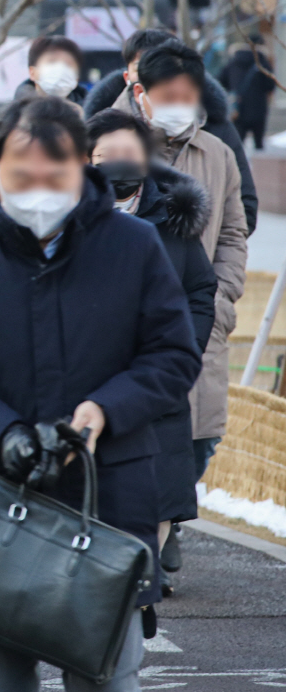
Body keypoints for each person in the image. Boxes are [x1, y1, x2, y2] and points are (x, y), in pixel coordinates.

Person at [0, 95, 201, 692]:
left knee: (106, 674)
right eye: (23, 175)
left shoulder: (133, 246)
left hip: (110, 494)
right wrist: (4, 432)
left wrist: (102, 412)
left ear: (83, 168)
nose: (38, 189)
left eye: (55, 175)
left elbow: (173, 355)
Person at [87, 108, 217, 596]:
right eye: (106, 155)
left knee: (161, 487)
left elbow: (200, 292)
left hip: (157, 378)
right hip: (87, 381)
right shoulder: (63, 220)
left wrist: (182, 351)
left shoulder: (172, 218)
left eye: (128, 153)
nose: (118, 163)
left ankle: (144, 572)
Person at [117, 41, 248, 488]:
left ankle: (168, 518)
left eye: (187, 96)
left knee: (198, 437)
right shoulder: (109, 146)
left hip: (199, 317)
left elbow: (233, 232)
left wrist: (221, 295)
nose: (179, 106)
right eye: (167, 97)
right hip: (122, 318)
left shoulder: (218, 154)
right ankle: (148, 526)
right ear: (141, 94)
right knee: (128, 431)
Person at [83, 28, 258, 234]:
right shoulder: (100, 131)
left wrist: (214, 259)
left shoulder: (217, 132)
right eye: (144, 66)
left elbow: (239, 217)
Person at [0, 36, 86, 181]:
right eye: (52, 62)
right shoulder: (5, 129)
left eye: (68, 64)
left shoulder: (92, 124)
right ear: (32, 72)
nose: (60, 70)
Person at [225, 37, 275, 151]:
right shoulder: (262, 63)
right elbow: (270, 85)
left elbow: (221, 80)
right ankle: (258, 167)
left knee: (237, 146)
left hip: (238, 109)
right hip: (258, 109)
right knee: (259, 145)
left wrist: (233, 91)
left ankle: (238, 167)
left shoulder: (234, 61)